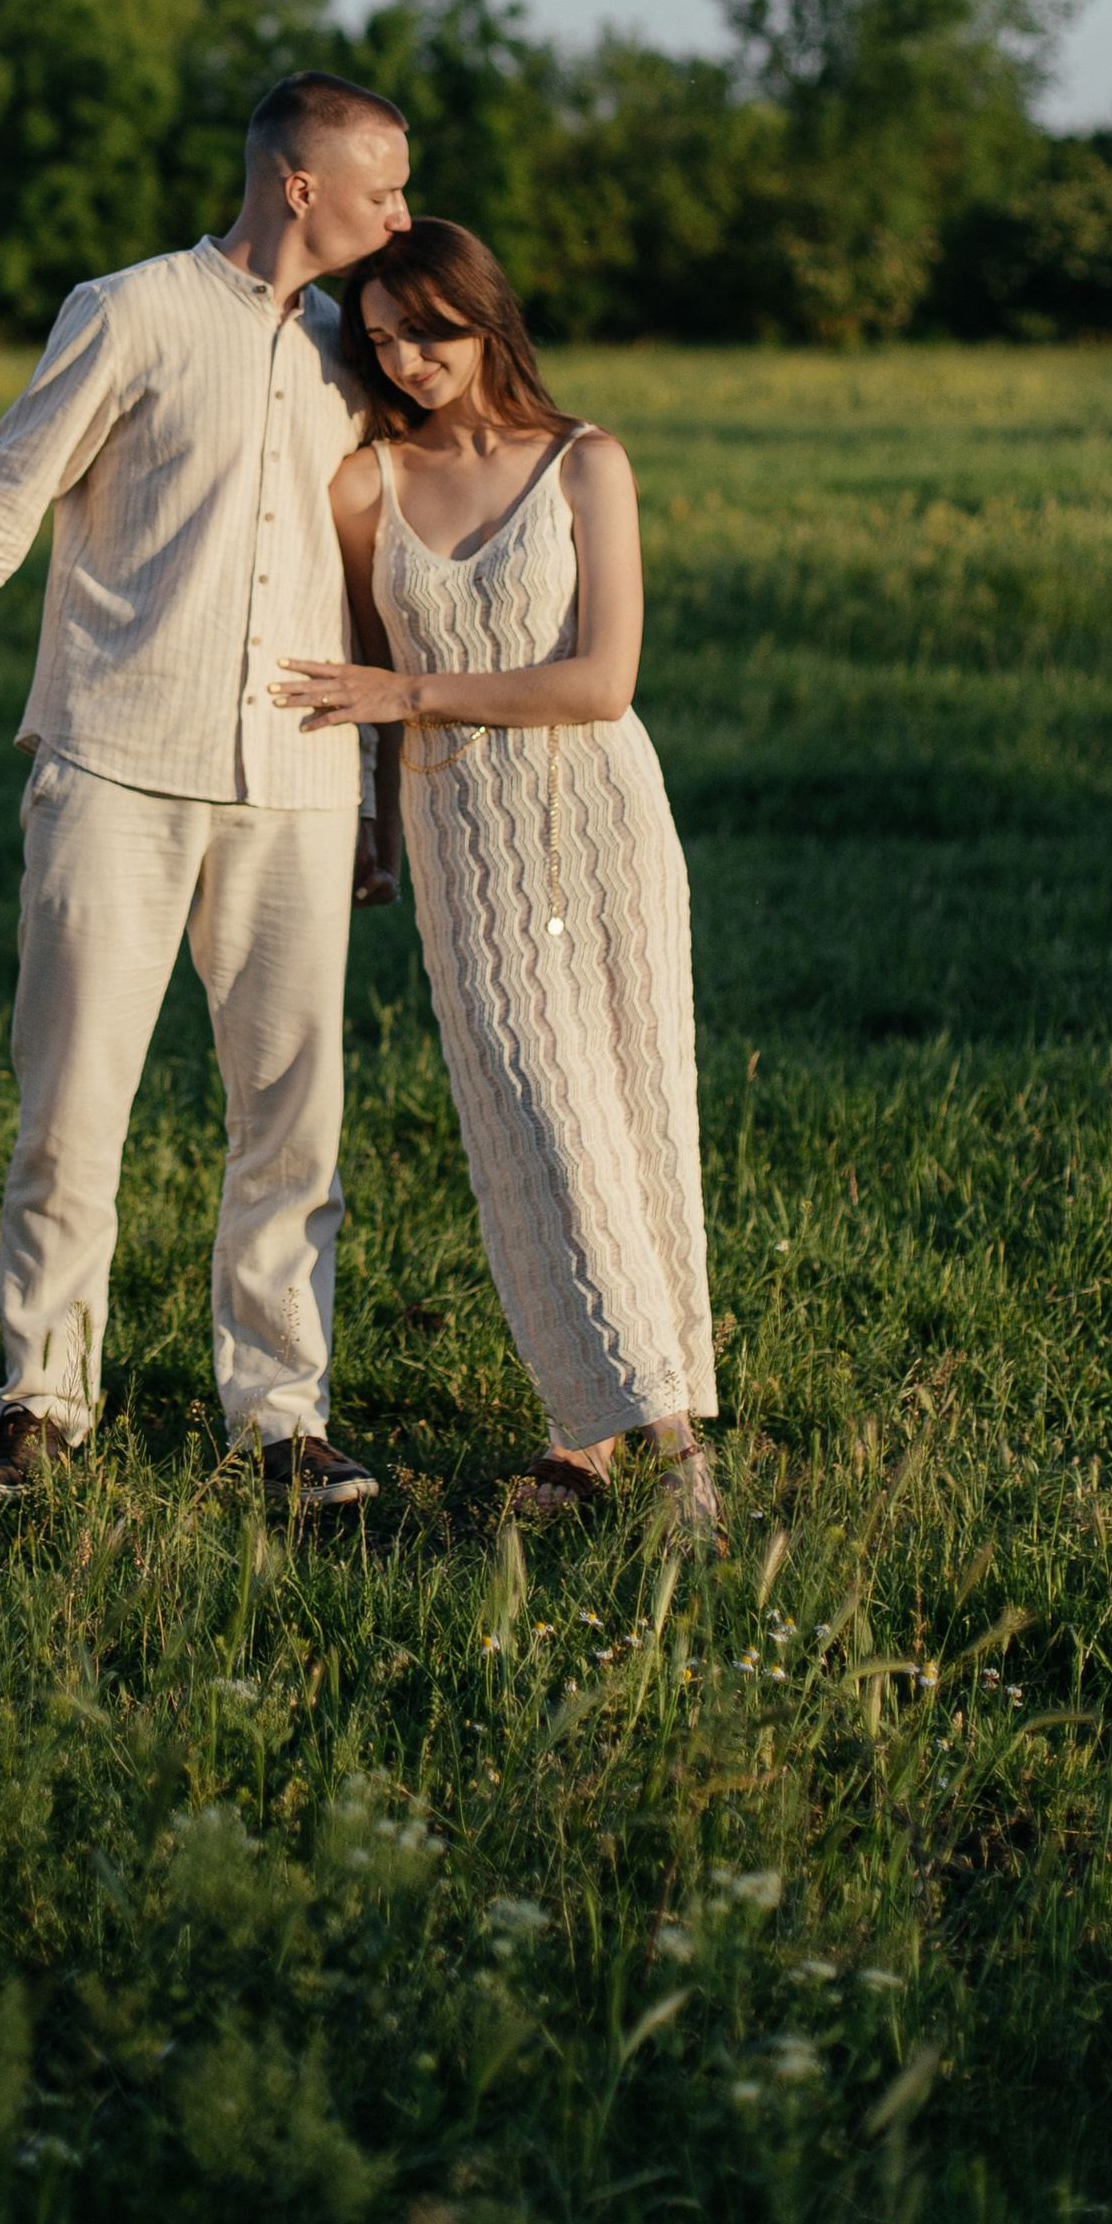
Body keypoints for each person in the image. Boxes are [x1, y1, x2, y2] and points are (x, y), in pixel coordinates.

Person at [0, 74, 412, 1508]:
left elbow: (376, 584)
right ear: (297, 186)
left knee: (295, 1116)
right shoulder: (132, 310)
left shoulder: (358, 352)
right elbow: (3, 494)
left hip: (300, 781)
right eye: (382, 188)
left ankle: (282, 1419)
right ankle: (41, 1404)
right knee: (73, 1104)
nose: (400, 216)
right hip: (113, 766)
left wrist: (382, 792)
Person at [270, 220, 722, 1544]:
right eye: (386, 341)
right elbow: (353, 692)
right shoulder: (367, 488)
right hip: (464, 839)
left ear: (487, 320)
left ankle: (612, 1440)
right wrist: (367, 833)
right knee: (538, 1117)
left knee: (634, 1114)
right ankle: (643, 1435)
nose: (410, 361)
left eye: (433, 331)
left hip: (603, 826)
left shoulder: (587, 463)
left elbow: (603, 680)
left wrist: (413, 692)